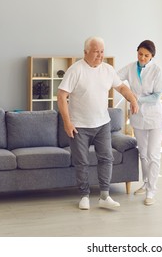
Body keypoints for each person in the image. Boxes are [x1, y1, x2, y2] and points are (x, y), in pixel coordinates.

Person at [57, 36, 139, 210]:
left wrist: (133, 100)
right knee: (82, 162)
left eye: (102, 52)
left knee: (106, 158)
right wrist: (67, 123)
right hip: (79, 126)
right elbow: (62, 96)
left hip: (102, 124)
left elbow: (121, 87)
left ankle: (104, 196)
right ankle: (84, 195)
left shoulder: (108, 70)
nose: (100, 55)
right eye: (96, 52)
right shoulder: (75, 70)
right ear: (86, 52)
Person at [117, 40, 162, 206]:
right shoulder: (131, 67)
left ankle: (152, 190)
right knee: (143, 154)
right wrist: (127, 93)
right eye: (140, 54)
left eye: (146, 55)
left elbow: (156, 96)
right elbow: (115, 77)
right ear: (137, 52)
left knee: (153, 154)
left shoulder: (158, 71)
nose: (142, 58)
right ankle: (145, 184)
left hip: (155, 117)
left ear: (152, 56)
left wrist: (136, 98)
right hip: (138, 117)